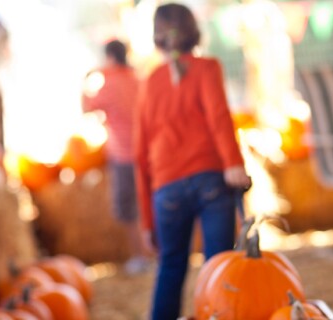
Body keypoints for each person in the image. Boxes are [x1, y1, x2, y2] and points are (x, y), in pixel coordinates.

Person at [133, 3, 251, 320]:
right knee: (219, 267)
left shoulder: (148, 84)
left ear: (157, 39)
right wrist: (233, 164)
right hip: (211, 179)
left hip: (166, 190)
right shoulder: (207, 68)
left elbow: (140, 154)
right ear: (194, 32)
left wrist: (147, 220)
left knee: (170, 266)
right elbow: (218, 117)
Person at [82, 40, 150, 274]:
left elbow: (86, 108)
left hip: (123, 155)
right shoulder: (138, 80)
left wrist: (87, 79)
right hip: (146, 152)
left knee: (128, 207)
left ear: (110, 58)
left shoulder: (108, 85)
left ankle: (139, 256)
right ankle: (158, 253)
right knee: (149, 203)